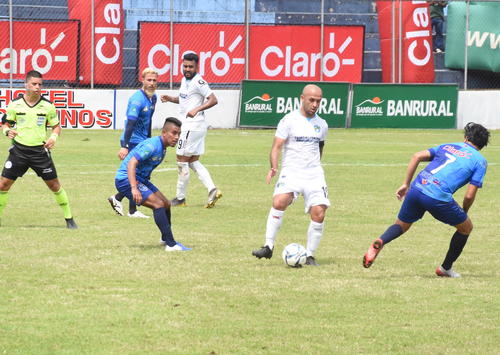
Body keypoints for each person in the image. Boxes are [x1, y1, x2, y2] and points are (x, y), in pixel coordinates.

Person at [363, 122, 490, 278]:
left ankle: (381, 241)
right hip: (437, 197)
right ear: (483, 145)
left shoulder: (448, 146)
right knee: (466, 228)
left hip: (417, 188)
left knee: (401, 225)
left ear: (465, 138)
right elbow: (469, 195)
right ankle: (445, 268)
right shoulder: (480, 161)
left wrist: (405, 184)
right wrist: (465, 211)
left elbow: (417, 156)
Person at [252, 84, 330, 266]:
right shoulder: (288, 120)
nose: (315, 104)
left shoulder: (322, 124)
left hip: (313, 173)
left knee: (319, 212)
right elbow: (276, 147)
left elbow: (320, 148)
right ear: (302, 98)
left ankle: (310, 255)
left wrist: (315, 167)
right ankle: (268, 246)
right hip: (291, 171)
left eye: (318, 101)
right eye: (312, 100)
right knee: (279, 201)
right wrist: (274, 167)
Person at [0, 70, 77, 229]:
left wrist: (53, 138)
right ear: (26, 84)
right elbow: (5, 124)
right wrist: (7, 131)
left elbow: (56, 127)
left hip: (39, 153)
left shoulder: (48, 106)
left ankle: (69, 219)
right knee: (3, 185)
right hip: (19, 151)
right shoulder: (15, 104)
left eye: (40, 84)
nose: (37, 87)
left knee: (54, 186)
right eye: (34, 84)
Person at [114, 117, 191, 251]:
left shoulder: (163, 147)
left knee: (166, 204)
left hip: (140, 179)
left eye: (178, 134)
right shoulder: (152, 146)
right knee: (158, 205)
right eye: (174, 133)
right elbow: (131, 163)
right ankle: (171, 244)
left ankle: (165, 238)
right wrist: (134, 188)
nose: (176, 137)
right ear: (164, 133)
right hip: (125, 179)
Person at [160, 52, 222, 208]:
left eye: (190, 67)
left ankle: (180, 198)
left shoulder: (198, 81)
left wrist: (197, 109)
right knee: (193, 161)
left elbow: (213, 99)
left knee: (181, 160)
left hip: (191, 126)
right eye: (185, 66)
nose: (187, 69)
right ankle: (213, 190)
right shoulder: (184, 80)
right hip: (194, 127)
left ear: (197, 66)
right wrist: (170, 98)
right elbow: (184, 101)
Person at [108, 68, 159, 218]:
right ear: (142, 80)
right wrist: (124, 145)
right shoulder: (137, 99)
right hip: (133, 141)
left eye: (154, 80)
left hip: (143, 141)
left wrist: (149, 139)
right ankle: (130, 208)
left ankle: (121, 201)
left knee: (140, 174)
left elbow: (148, 121)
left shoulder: (153, 98)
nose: (151, 83)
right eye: (149, 80)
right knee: (136, 173)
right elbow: (130, 123)